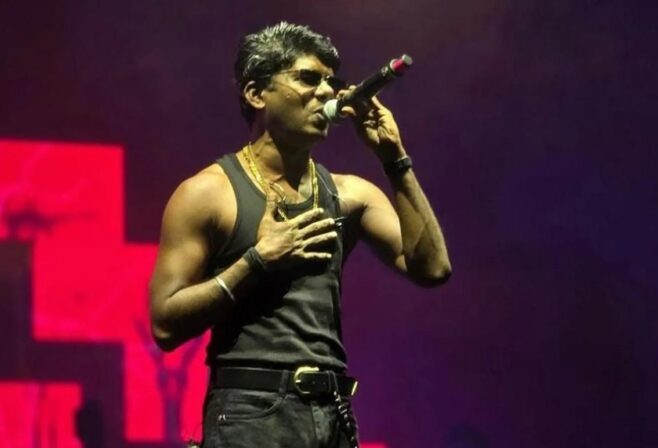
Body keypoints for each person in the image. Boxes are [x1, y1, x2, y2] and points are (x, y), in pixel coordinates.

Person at [149, 22, 451, 448]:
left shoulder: (350, 195)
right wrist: (257, 261)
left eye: (331, 82)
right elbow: (165, 325)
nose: (326, 92)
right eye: (308, 78)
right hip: (251, 413)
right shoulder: (208, 194)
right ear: (257, 94)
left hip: (332, 413)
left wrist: (394, 158)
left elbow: (433, 268)